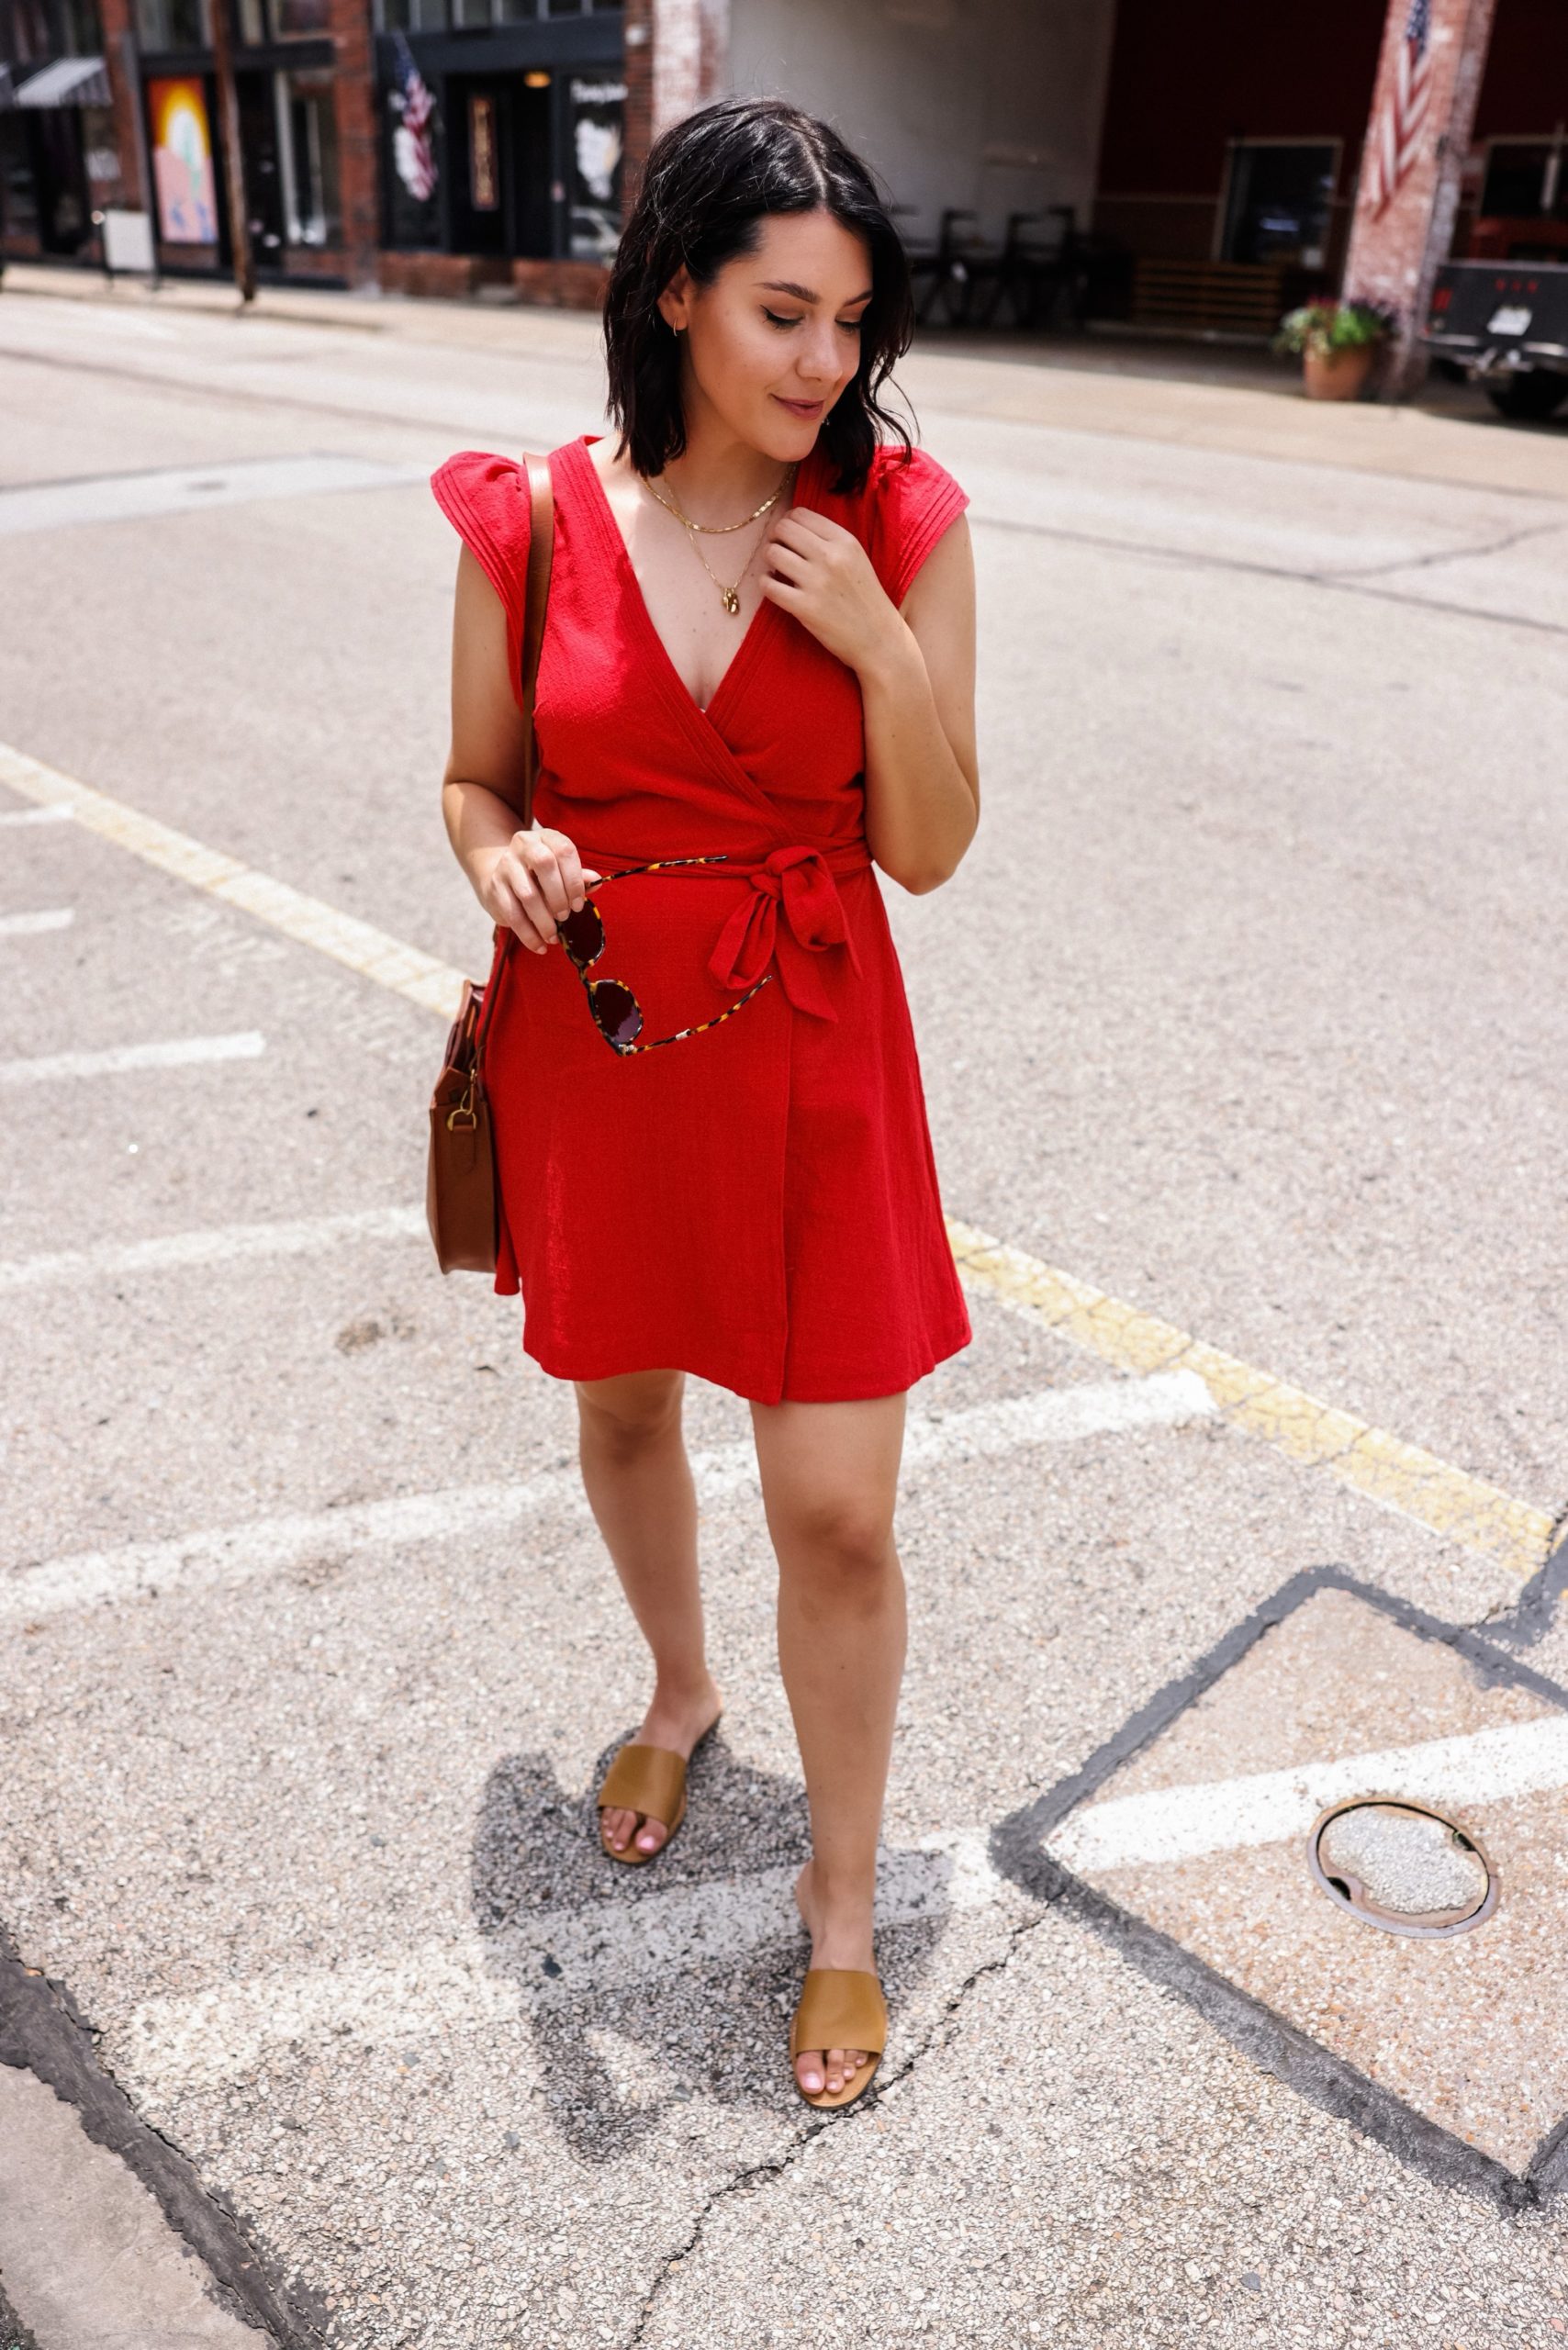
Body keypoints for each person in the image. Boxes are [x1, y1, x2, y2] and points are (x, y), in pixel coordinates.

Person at [434, 95, 979, 2111]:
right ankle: (677, 1685)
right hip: (604, 1038)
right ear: (673, 292)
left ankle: (839, 1906)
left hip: (817, 1036)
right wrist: (494, 855)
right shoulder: (536, 520)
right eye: (777, 312)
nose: (820, 363)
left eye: (847, 321)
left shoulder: (897, 525)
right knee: (626, 1401)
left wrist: (877, 660)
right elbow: (476, 776)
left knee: (835, 1507)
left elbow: (929, 844)